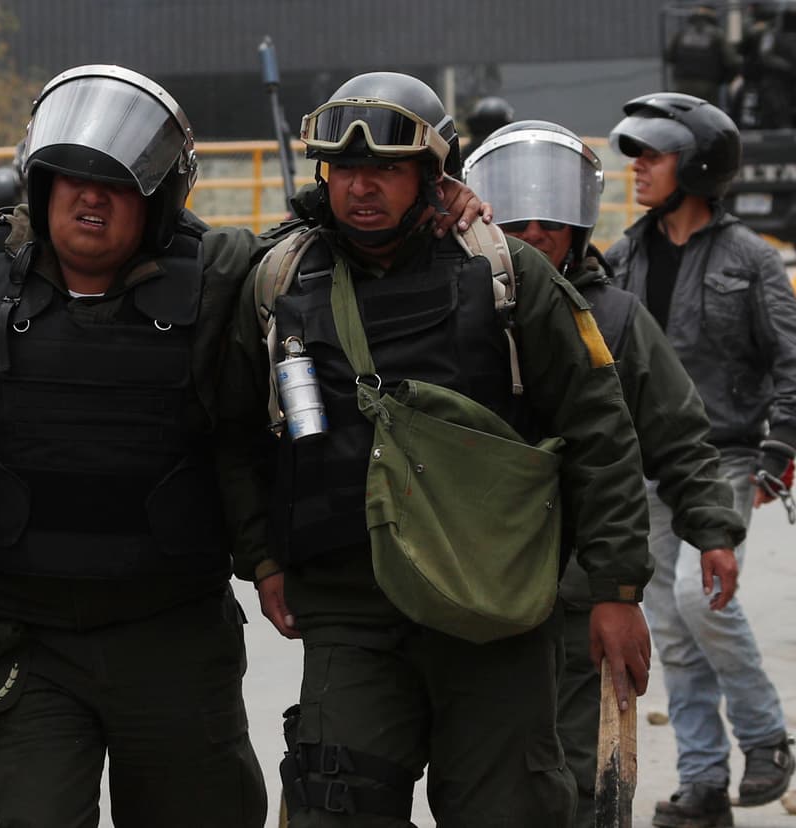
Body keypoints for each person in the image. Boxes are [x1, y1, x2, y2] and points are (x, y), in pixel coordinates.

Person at [0, 66, 492, 828]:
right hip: (30, 647)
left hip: (172, 637)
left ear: (156, 200)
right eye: (71, 179)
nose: (90, 200)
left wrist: (441, 205)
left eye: (115, 185)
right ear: (40, 185)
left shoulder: (220, 273)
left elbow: (334, 243)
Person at [218, 71, 654, 826]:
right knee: (335, 807)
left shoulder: (506, 274)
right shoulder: (278, 281)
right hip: (350, 609)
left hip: (494, 606)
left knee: (509, 809)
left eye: (385, 169)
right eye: (345, 168)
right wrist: (261, 557)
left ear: (431, 174)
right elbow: (234, 436)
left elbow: (599, 428)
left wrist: (616, 590)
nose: (361, 187)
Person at [463, 119, 748, 828]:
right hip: (469, 585)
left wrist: (712, 529)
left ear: (577, 229)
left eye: (550, 224)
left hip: (577, 587)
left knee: (580, 774)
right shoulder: (453, 312)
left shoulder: (615, 320)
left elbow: (678, 435)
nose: (533, 236)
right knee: (482, 775)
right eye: (515, 223)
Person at [607, 92, 796, 827]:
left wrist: (779, 451)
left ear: (697, 166)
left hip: (726, 458)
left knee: (697, 595)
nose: (637, 168)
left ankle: (765, 735)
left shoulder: (752, 259)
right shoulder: (622, 257)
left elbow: (791, 362)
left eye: (652, 155)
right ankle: (703, 782)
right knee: (673, 630)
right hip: (646, 466)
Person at [666, 4, 740, 105]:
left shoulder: (682, 33)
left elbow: (669, 56)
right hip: (709, 84)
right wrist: (726, 79)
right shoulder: (717, 35)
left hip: (682, 83)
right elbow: (731, 61)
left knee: (683, 110)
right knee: (709, 112)